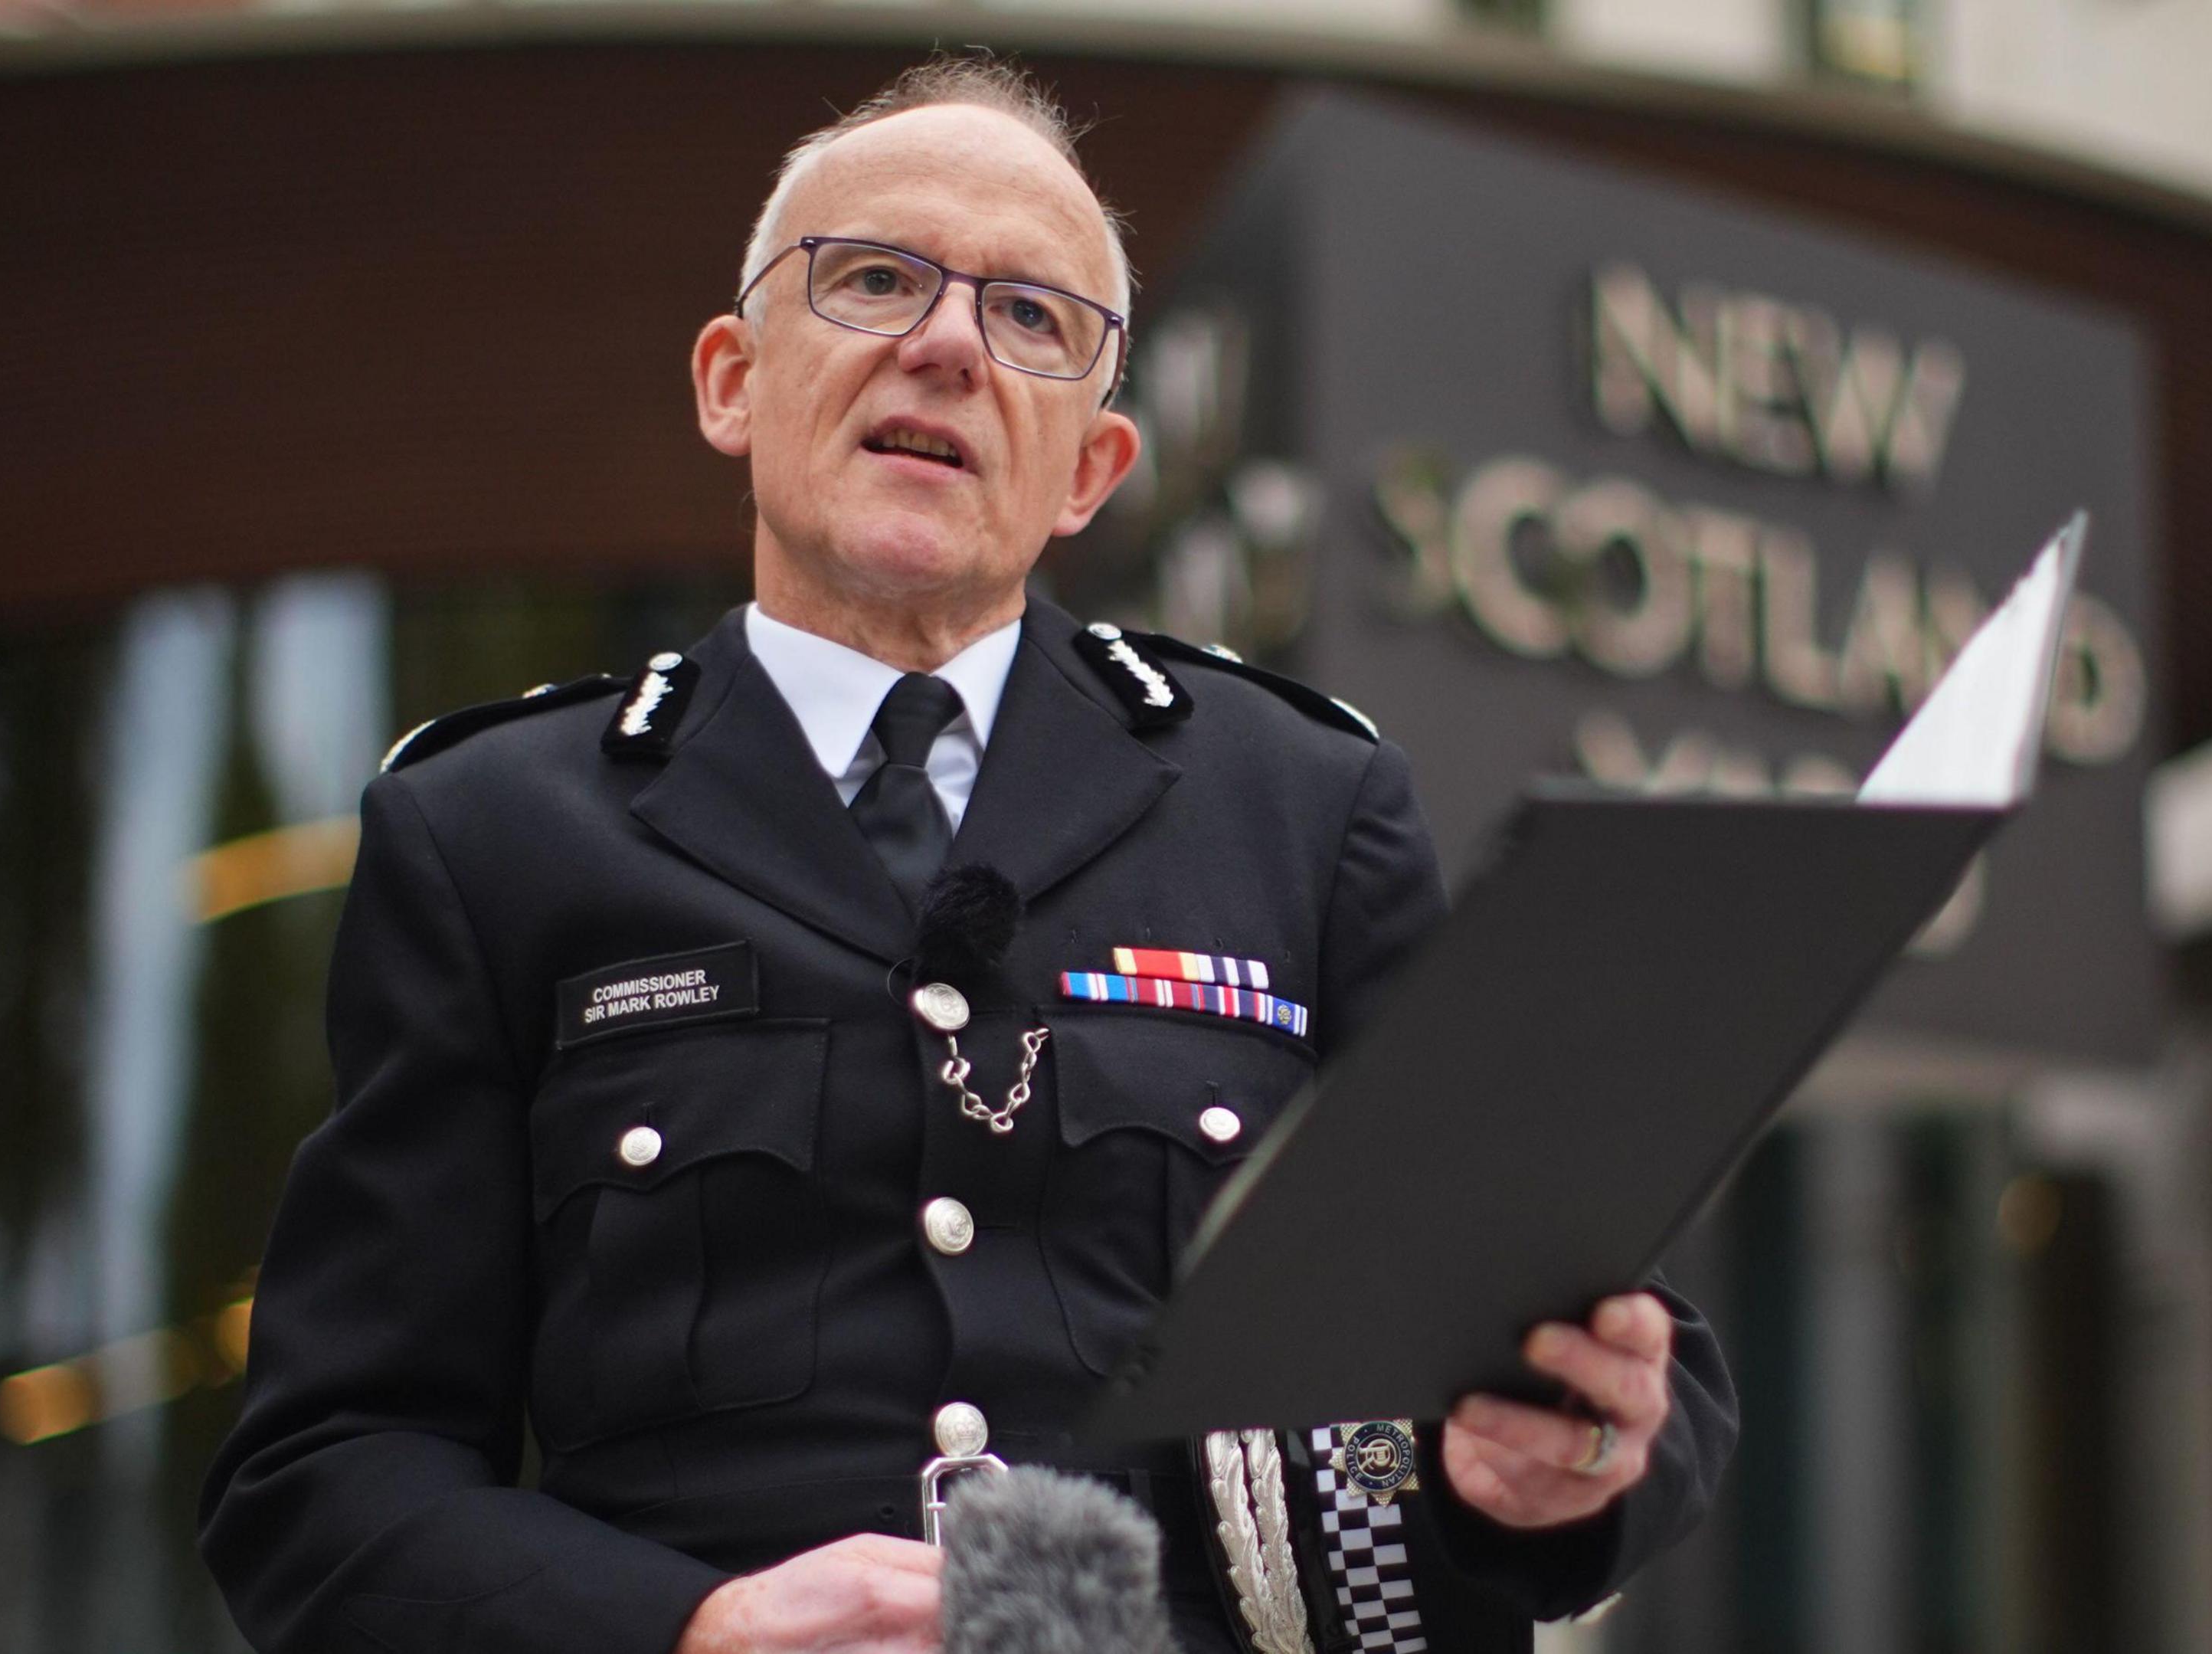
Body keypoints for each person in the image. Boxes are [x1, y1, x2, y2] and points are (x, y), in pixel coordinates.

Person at [199, 55, 1735, 1654]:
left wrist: (1569, 1452)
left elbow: (1609, 1342)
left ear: (1091, 472)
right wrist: (693, 1631)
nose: (946, 344)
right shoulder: (495, 830)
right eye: (874, 280)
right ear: (731, 379)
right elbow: (324, 1480)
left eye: (1032, 320)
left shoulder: (1301, 803)